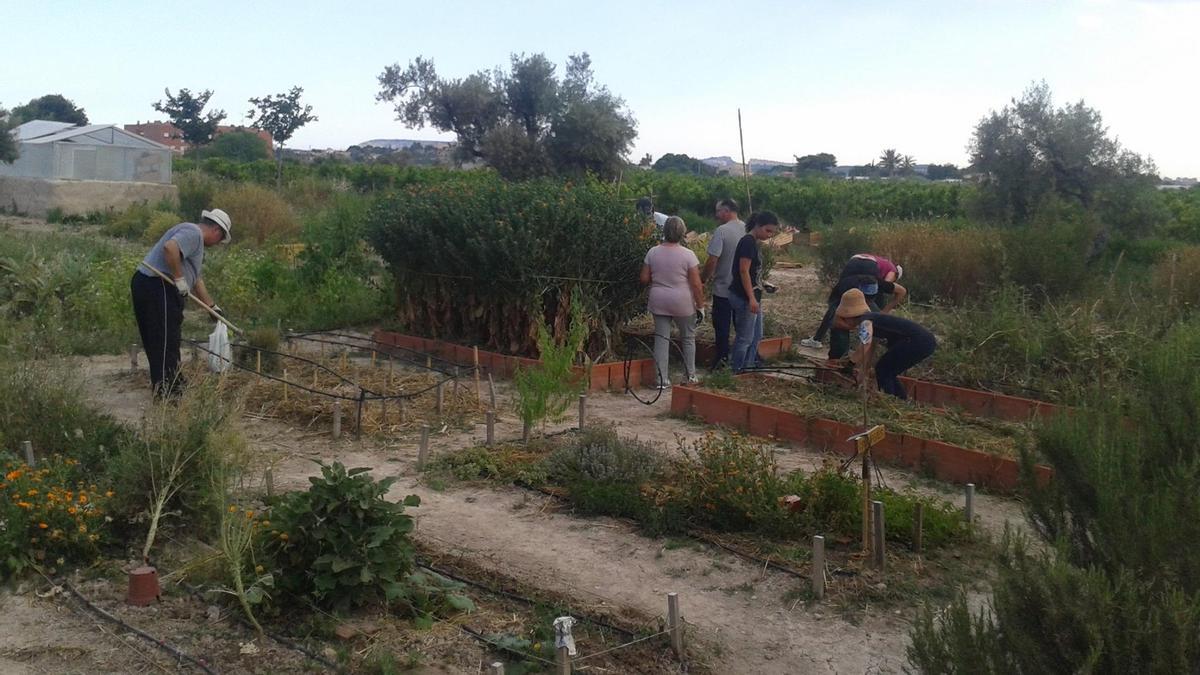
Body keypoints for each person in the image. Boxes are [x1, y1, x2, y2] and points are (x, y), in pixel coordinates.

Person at [131, 209, 231, 398]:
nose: (216, 245)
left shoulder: (195, 240)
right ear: (217, 231)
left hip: (151, 285)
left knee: (166, 338)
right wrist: (178, 279)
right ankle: (167, 390)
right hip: (158, 285)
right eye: (219, 241)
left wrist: (212, 307)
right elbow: (170, 248)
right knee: (164, 338)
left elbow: (196, 278)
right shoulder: (193, 233)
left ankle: (172, 382)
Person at [833, 288, 936, 400]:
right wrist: (863, 373)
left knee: (883, 370)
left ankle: (889, 400)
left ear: (849, 316)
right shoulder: (874, 320)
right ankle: (901, 400)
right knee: (888, 371)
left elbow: (865, 344)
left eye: (844, 319)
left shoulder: (865, 321)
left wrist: (850, 364)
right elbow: (869, 349)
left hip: (917, 341)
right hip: (925, 341)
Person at [801, 252, 907, 358]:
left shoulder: (879, 267)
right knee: (863, 305)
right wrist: (883, 312)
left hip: (854, 263)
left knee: (838, 305)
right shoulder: (892, 272)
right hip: (869, 270)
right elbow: (891, 287)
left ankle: (819, 341)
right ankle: (839, 353)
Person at [640, 216, 704, 389]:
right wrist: (701, 306)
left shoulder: (653, 252)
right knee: (688, 337)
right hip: (682, 301)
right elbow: (696, 284)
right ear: (683, 233)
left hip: (659, 299)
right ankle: (689, 376)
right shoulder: (688, 255)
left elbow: (644, 278)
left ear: (664, 231)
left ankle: (661, 379)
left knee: (661, 339)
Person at [728, 211, 780, 372]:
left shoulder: (753, 242)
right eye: (768, 231)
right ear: (758, 226)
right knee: (745, 338)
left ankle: (748, 367)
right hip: (744, 296)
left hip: (754, 294)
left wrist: (762, 284)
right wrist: (751, 298)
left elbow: (751, 273)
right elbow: (743, 271)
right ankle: (736, 370)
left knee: (757, 335)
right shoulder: (748, 242)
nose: (769, 235)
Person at [699, 198, 745, 369]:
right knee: (742, 329)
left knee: (722, 328)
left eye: (718, 211)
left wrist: (703, 278)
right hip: (742, 289)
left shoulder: (722, 231)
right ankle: (741, 362)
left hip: (723, 289)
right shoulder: (747, 228)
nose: (716, 215)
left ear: (726, 211)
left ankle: (721, 361)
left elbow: (712, 260)